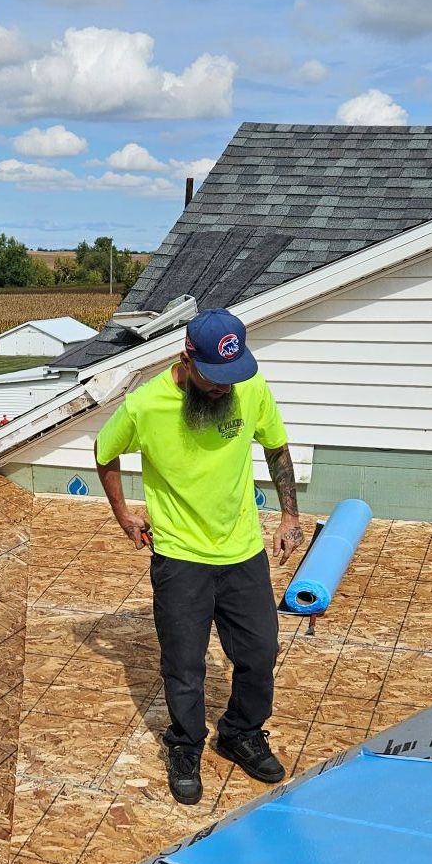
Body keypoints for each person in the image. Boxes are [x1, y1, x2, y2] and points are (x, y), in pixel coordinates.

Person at [94, 308, 304, 805]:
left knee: (258, 652)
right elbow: (105, 453)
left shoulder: (248, 387)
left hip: (242, 549)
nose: (224, 388)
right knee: (185, 664)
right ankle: (185, 744)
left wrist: (290, 515)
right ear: (187, 357)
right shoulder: (145, 405)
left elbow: (276, 448)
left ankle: (240, 733)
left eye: (233, 377)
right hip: (179, 554)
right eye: (215, 379)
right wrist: (123, 513)